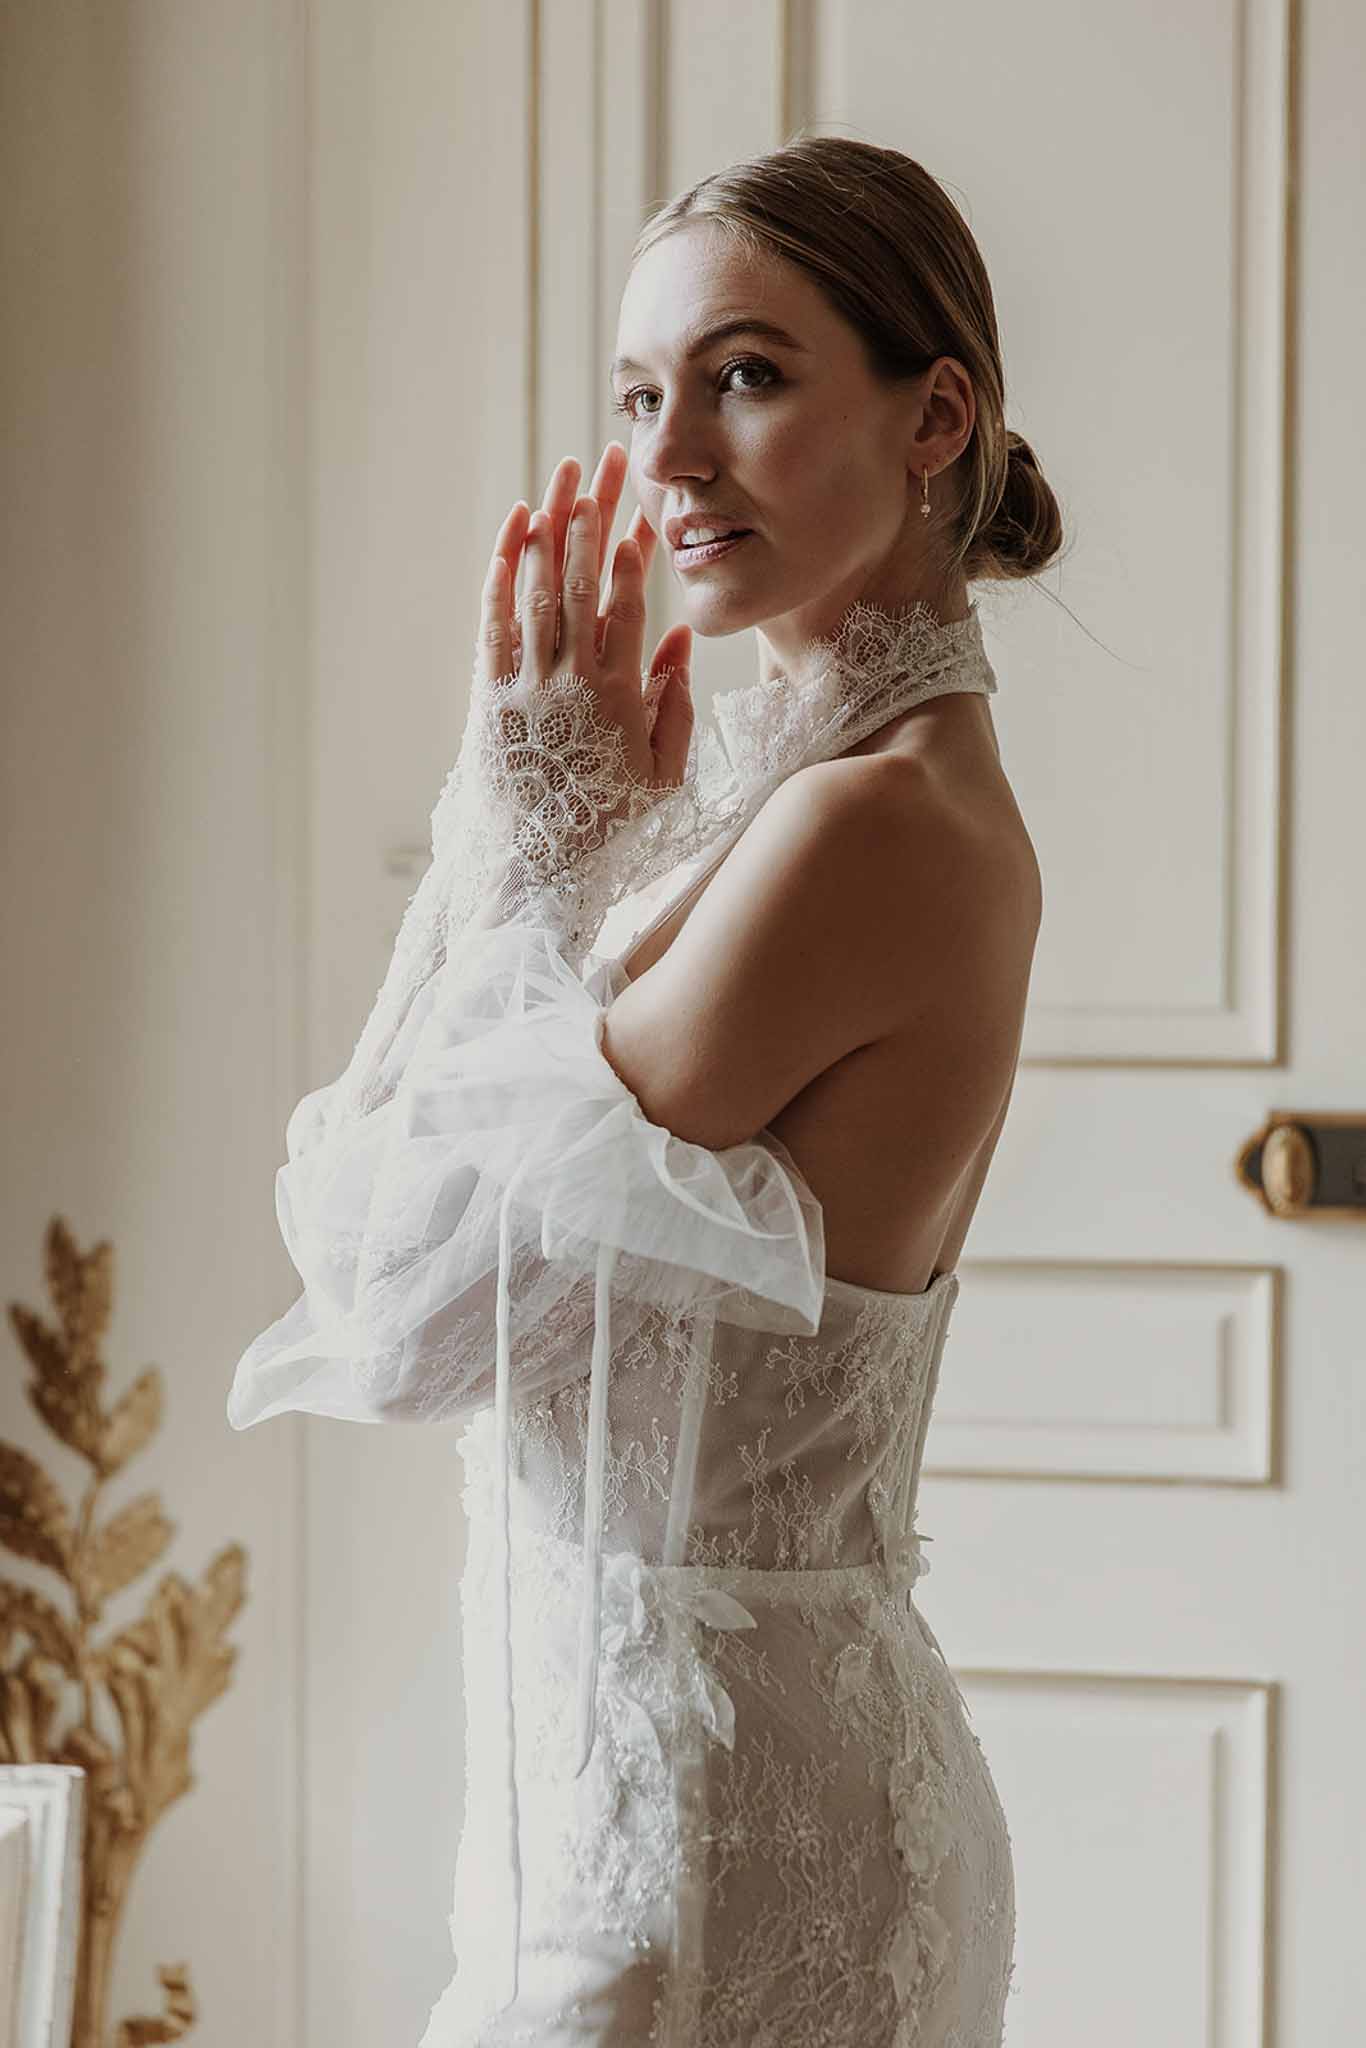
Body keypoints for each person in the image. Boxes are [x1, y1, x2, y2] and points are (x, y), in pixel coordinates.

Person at [228, 133, 1062, 2046]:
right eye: (638, 393)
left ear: (934, 417)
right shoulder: (794, 801)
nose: (668, 455)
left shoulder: (861, 831)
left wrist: (512, 843)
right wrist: (558, 833)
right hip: (664, 1782)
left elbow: (405, 1319)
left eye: (747, 376)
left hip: (695, 1848)